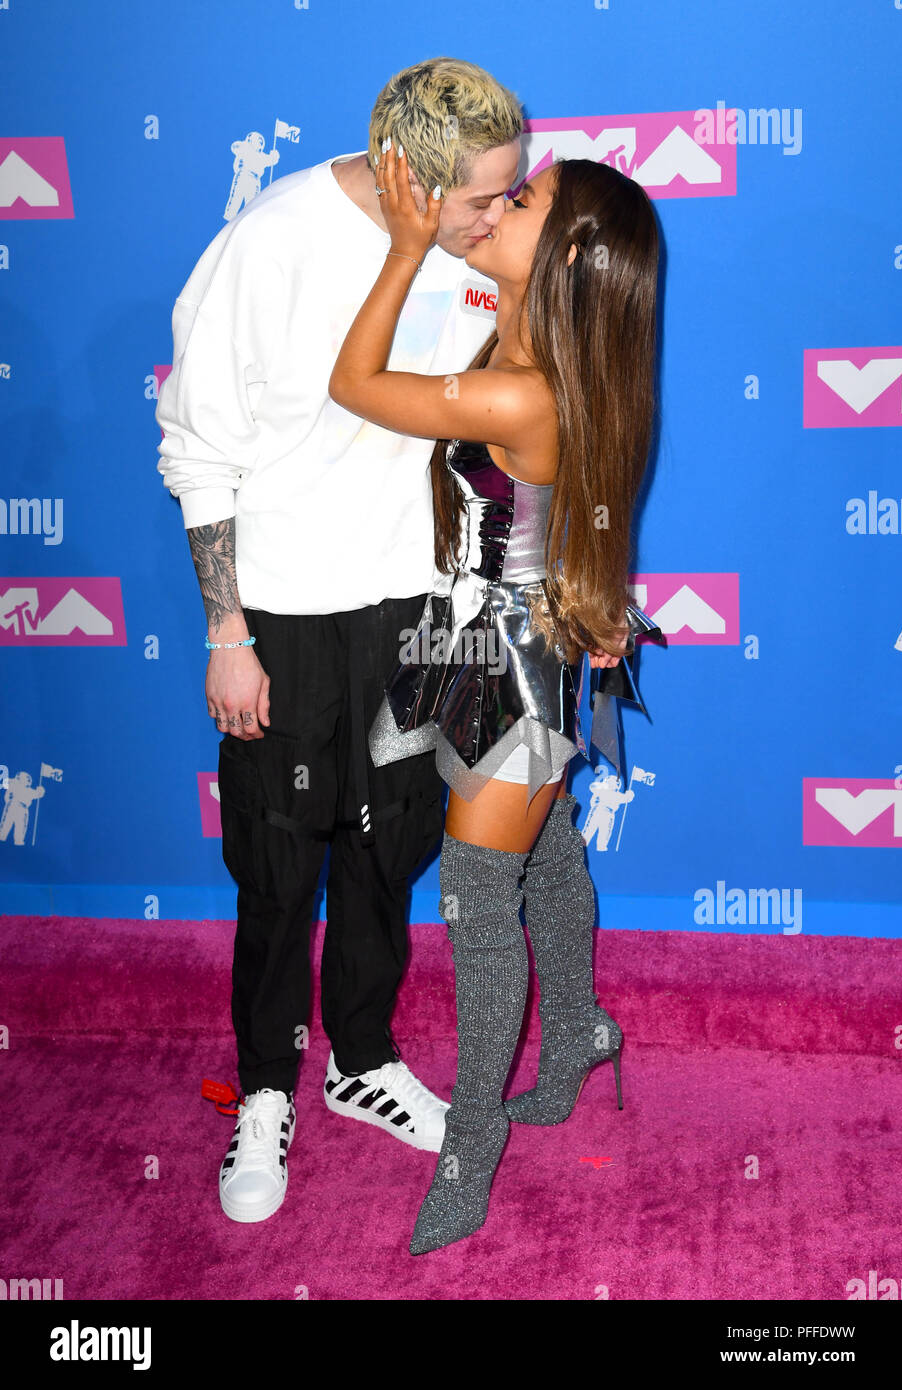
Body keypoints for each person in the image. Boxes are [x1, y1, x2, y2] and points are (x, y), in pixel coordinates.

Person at [155, 58, 526, 1224]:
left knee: (388, 849)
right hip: (284, 613)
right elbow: (196, 447)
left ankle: (360, 1061)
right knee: (278, 867)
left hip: (413, 613)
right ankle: (263, 1086)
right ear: (412, 179)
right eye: (481, 198)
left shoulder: (470, 256)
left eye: (511, 194)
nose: (499, 215)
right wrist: (227, 630)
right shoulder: (267, 248)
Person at [328, 140, 662, 1253]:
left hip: (507, 665)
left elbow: (355, 383)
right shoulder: (530, 347)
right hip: (505, 640)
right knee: (547, 852)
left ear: (562, 253)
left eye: (519, 200)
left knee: (478, 907)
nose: (496, 206)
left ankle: (468, 1156)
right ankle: (575, 1035)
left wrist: (409, 242)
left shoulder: (522, 386)